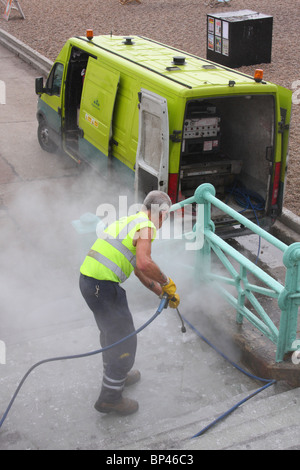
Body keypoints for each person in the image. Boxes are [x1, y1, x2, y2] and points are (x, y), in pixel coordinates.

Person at [79, 190, 180, 416]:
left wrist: (160, 291)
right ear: (162, 214)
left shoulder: (130, 220)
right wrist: (167, 281)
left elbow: (136, 268)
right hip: (103, 286)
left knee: (110, 333)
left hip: (89, 282)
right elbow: (145, 263)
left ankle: (117, 376)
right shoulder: (148, 226)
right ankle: (110, 398)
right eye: (167, 217)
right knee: (124, 340)